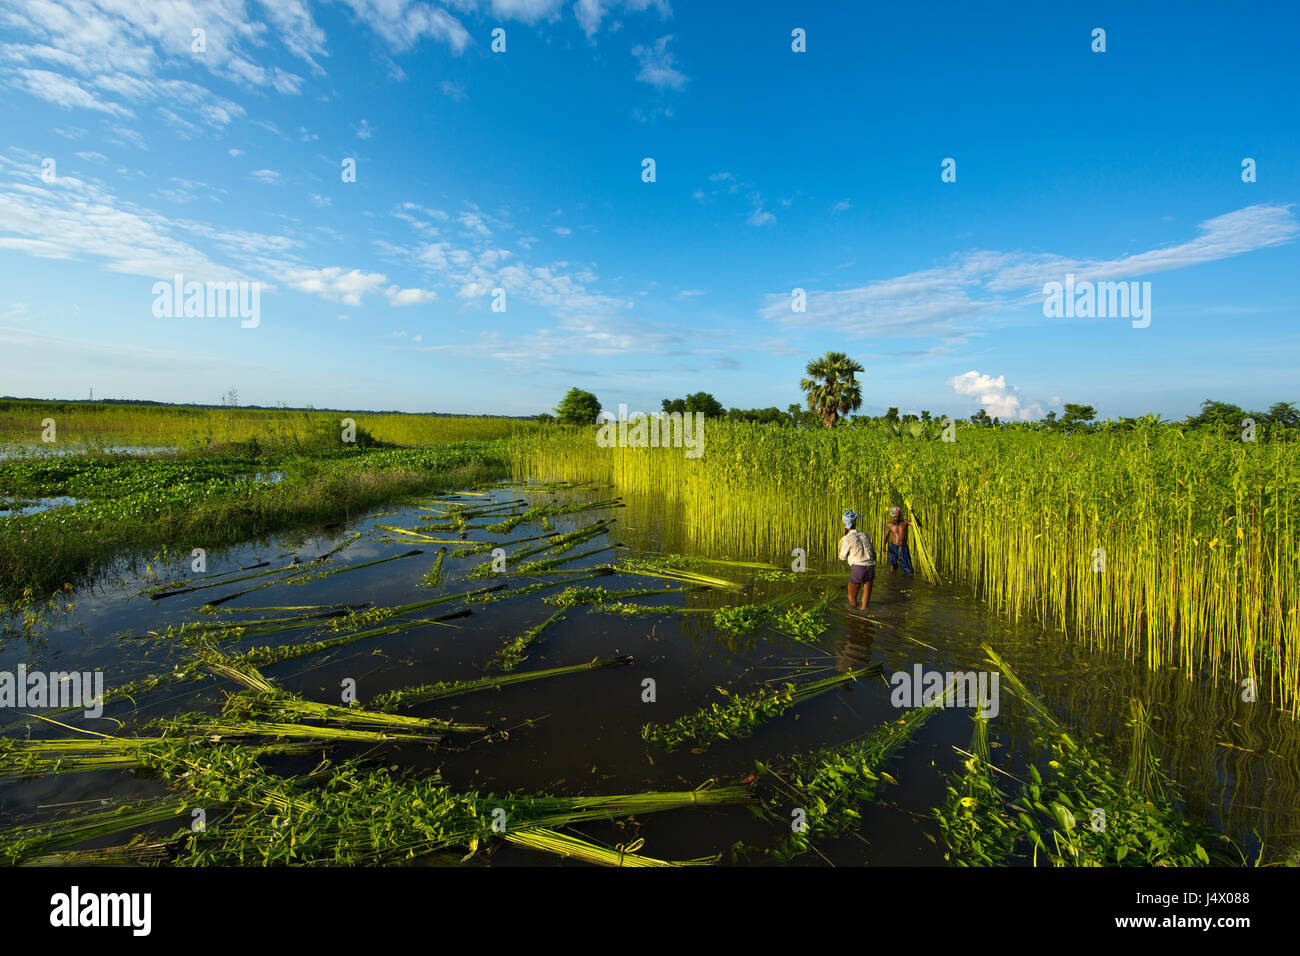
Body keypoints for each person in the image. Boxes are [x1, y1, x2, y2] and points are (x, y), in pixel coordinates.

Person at [837, 509, 876, 609]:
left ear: (845, 525)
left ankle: (854, 617)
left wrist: (843, 539)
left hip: (859, 568)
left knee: (851, 596)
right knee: (865, 601)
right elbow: (873, 554)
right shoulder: (865, 535)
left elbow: (842, 557)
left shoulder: (846, 538)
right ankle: (864, 616)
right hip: (871, 566)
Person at [885, 506, 914, 574]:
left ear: (899, 515)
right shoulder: (890, 525)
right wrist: (884, 545)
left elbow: (917, 525)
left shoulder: (905, 522)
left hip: (903, 547)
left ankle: (909, 581)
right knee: (893, 566)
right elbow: (886, 535)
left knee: (908, 569)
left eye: (895, 517)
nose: (894, 518)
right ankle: (892, 579)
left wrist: (913, 515)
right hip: (893, 547)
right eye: (892, 517)